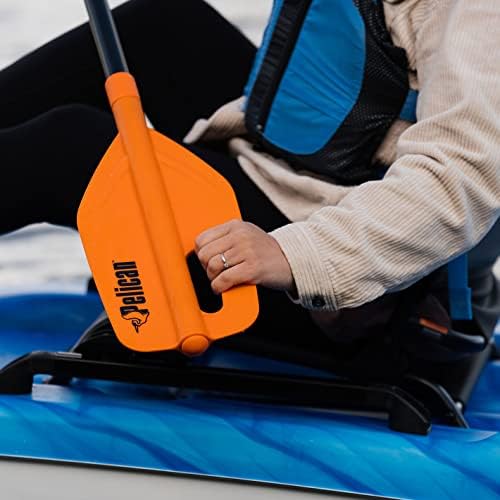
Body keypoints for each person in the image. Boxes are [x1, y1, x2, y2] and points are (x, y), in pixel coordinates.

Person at [0, 0, 498, 378]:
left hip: (369, 298)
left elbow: (464, 175)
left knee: (70, 147)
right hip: (297, 179)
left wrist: (296, 255)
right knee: (160, 26)